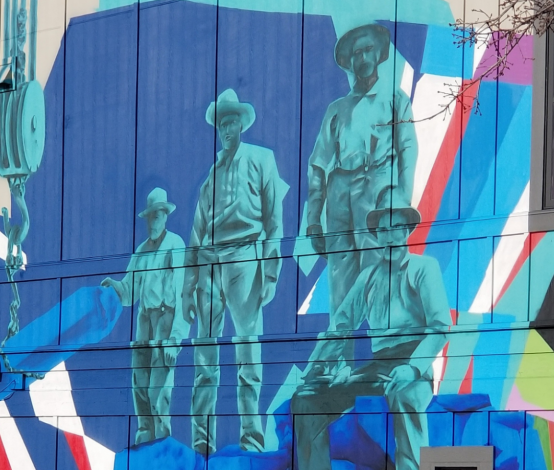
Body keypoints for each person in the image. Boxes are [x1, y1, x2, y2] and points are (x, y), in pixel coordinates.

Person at [292, 206, 451, 470]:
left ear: (406, 231)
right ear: (377, 235)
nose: (389, 236)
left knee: (406, 398)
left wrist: (413, 368)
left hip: (412, 365)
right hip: (377, 368)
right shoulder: (368, 277)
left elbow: (440, 325)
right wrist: (315, 368)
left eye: (396, 228)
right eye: (383, 230)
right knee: (306, 399)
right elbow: (340, 326)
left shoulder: (424, 268)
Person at [182, 88, 288, 455]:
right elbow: (195, 236)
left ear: (242, 123)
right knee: (205, 358)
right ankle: (202, 442)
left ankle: (252, 439)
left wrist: (270, 272)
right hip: (210, 265)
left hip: (245, 259)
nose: (228, 128)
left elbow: (275, 223)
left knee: (247, 350)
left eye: (233, 121)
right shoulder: (210, 177)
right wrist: (187, 290)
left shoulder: (262, 159)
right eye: (222, 123)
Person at [305, 23, 418, 314]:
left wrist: (403, 201)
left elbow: (408, 148)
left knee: (378, 272)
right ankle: (340, 356)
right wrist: (313, 219)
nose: (363, 57)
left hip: (377, 188)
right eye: (356, 53)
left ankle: (384, 351)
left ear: (379, 53)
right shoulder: (337, 108)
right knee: (340, 277)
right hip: (340, 191)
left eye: (368, 50)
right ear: (350, 62)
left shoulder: (395, 99)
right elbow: (317, 164)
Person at [102, 187, 186, 445]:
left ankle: (162, 447)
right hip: (144, 324)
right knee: (139, 387)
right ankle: (144, 444)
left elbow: (184, 293)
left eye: (157, 216)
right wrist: (114, 286)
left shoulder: (175, 245)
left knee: (158, 393)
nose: (153, 222)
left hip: (165, 322)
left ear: (165, 216)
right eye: (150, 217)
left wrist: (175, 338)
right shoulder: (141, 251)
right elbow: (129, 292)